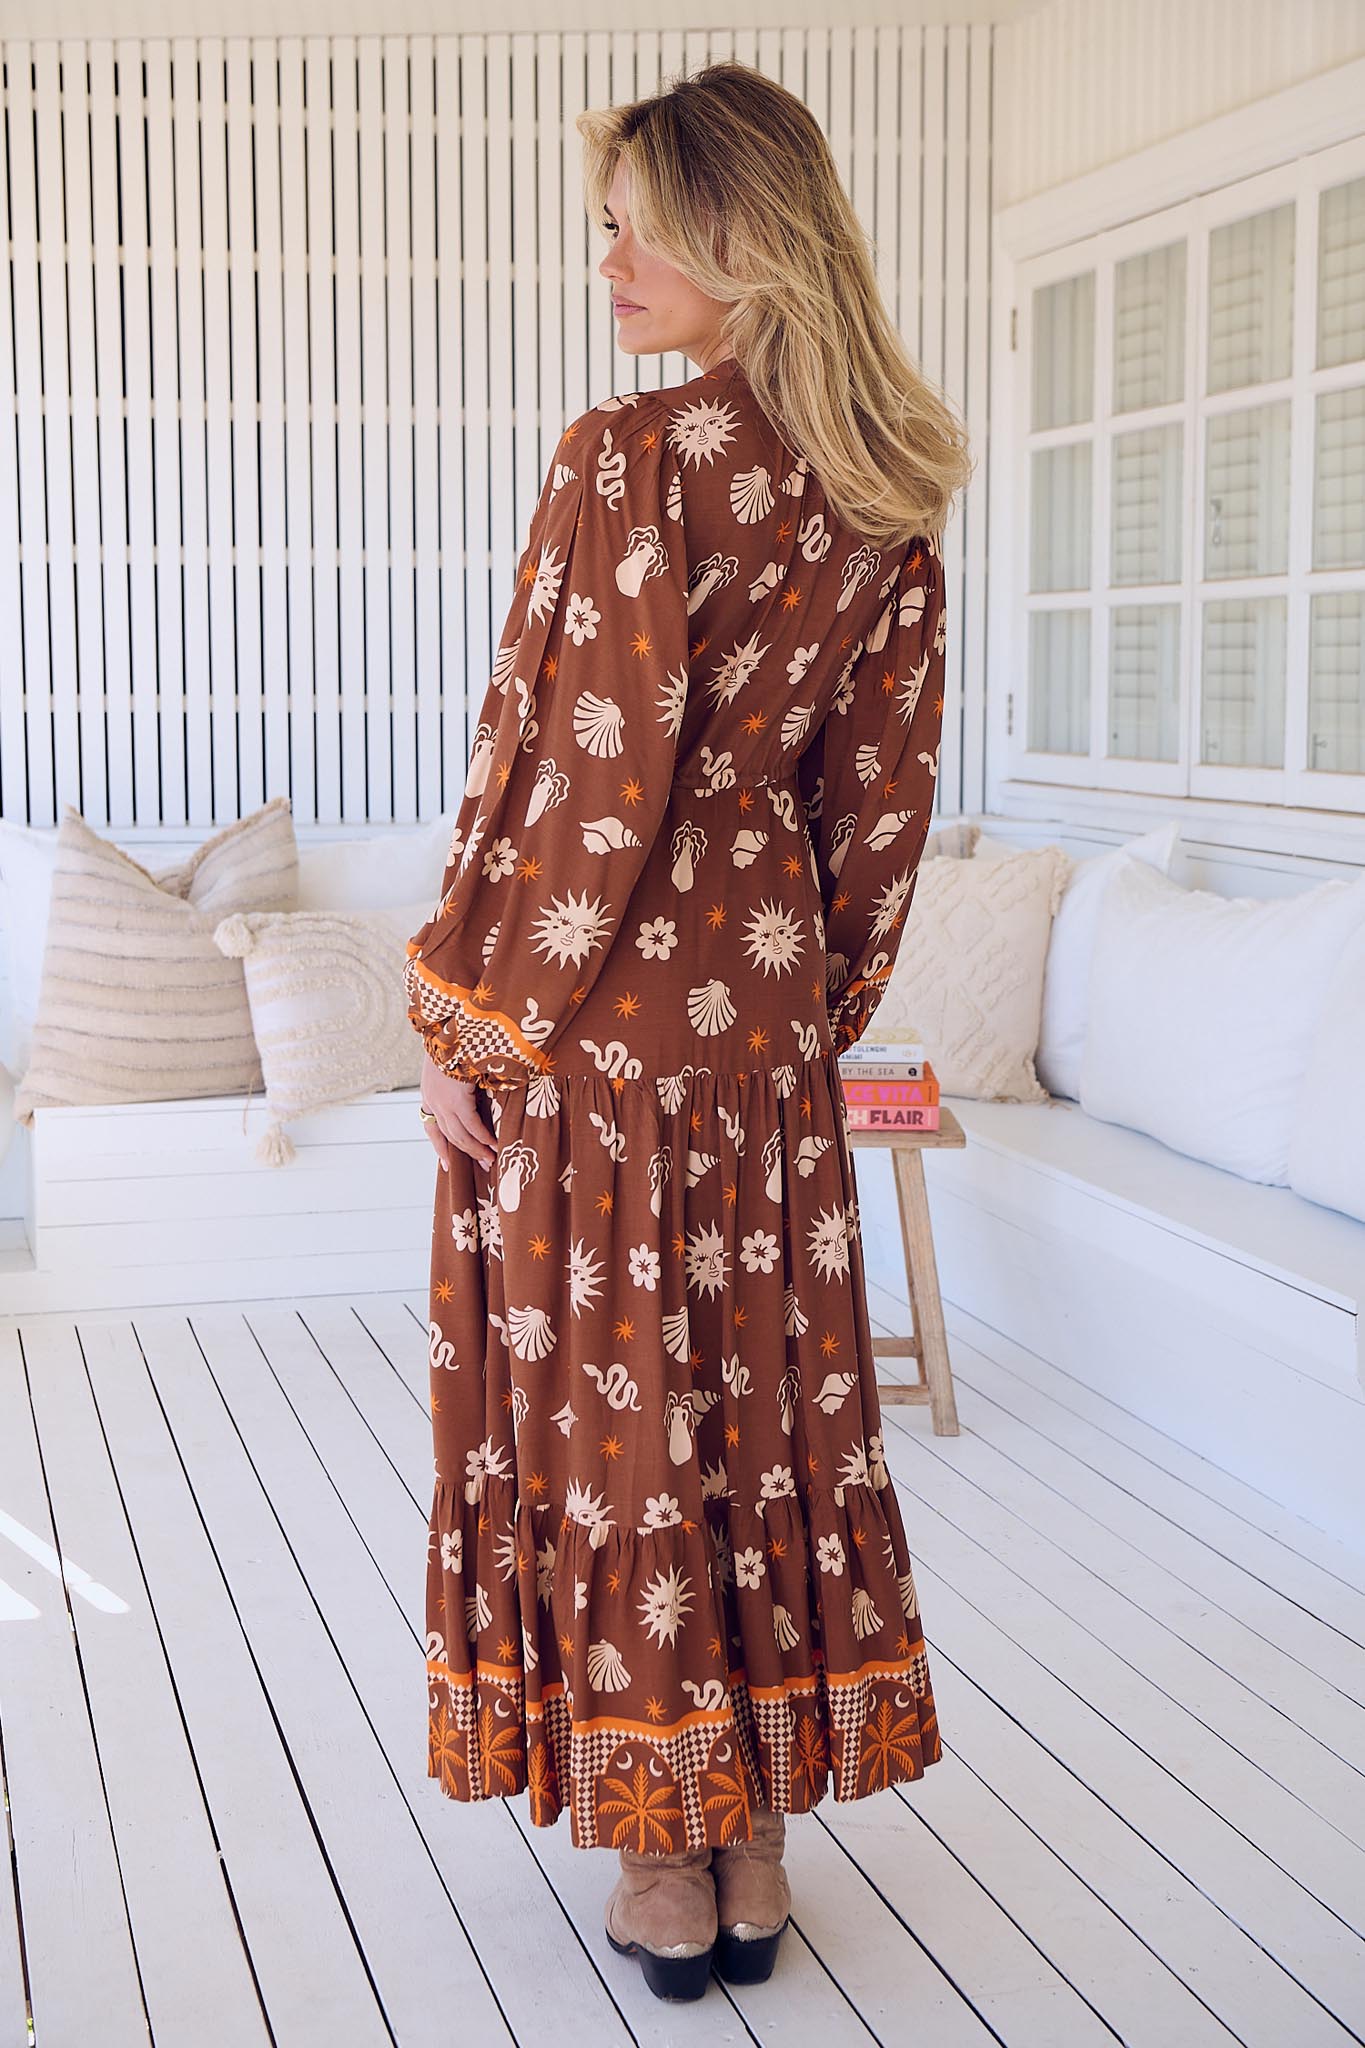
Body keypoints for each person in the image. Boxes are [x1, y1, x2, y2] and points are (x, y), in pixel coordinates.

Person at [404, 58, 973, 2005]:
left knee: (628, 1417)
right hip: (767, 1020)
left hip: (610, 1016)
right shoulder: (881, 488)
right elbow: (877, 806)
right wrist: (811, 1011)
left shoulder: (626, 457)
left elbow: (569, 771)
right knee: (760, 1408)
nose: (607, 261)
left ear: (738, 229)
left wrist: (467, 1011)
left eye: (632, 224)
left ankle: (666, 1851)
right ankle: (751, 1842)